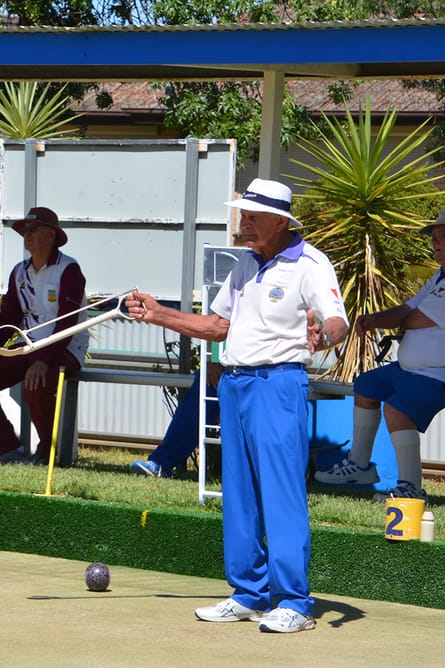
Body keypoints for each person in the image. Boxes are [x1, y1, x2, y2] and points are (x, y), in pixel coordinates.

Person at [127, 178, 348, 633]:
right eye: (241, 215)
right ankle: (249, 593)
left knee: (282, 494)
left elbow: (337, 320)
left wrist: (323, 334)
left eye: (251, 217)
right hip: (235, 384)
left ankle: (294, 602)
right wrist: (159, 313)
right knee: (241, 495)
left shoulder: (311, 262)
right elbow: (216, 324)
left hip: (278, 384)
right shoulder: (245, 264)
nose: (242, 224)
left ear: (280, 221)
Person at [315, 207, 445, 501]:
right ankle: (360, 465)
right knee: (366, 385)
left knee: (397, 408)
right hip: (423, 370)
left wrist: (384, 322)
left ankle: (411, 489)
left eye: (441, 237)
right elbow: (408, 309)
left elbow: (416, 318)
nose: (435, 244)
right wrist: (376, 318)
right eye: (434, 238)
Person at [0, 207, 88, 465]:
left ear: (52, 234)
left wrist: (43, 359)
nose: (26, 235)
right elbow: (7, 317)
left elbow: (67, 321)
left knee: (36, 385)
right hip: (27, 348)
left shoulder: (69, 269)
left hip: (66, 347)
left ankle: (47, 456)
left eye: (33, 229)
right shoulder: (19, 271)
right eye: (23, 231)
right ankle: (7, 451)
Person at [130, 363, 224, 478]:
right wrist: (210, 361)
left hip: (248, 371)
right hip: (229, 368)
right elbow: (212, 346)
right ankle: (162, 463)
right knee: (206, 380)